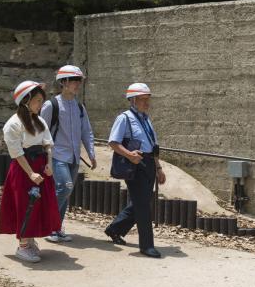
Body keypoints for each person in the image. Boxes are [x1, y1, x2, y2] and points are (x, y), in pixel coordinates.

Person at [0, 81, 60, 263]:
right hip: (23, 169)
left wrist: (49, 164)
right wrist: (30, 173)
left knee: (40, 205)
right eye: (37, 101)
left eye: (42, 101)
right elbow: (17, 153)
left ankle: (31, 238)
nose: (40, 105)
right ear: (25, 100)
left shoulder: (39, 120)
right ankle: (23, 246)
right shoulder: (13, 124)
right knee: (26, 204)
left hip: (40, 167)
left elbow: (48, 143)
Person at [104, 83, 166, 258]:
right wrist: (130, 155)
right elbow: (113, 142)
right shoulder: (124, 118)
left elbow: (154, 147)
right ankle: (146, 245)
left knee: (141, 201)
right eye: (143, 99)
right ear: (133, 100)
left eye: (148, 99)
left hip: (148, 162)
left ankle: (114, 229)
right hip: (134, 164)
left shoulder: (146, 119)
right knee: (143, 205)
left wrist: (159, 168)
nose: (147, 103)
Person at [40, 65, 97, 243]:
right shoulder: (51, 105)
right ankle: (47, 223)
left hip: (73, 157)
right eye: (74, 80)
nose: (78, 84)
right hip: (56, 155)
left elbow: (86, 131)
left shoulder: (79, 107)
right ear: (63, 82)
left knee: (66, 191)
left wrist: (91, 153)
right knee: (64, 187)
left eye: (78, 80)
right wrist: (44, 157)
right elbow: (42, 131)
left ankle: (56, 227)